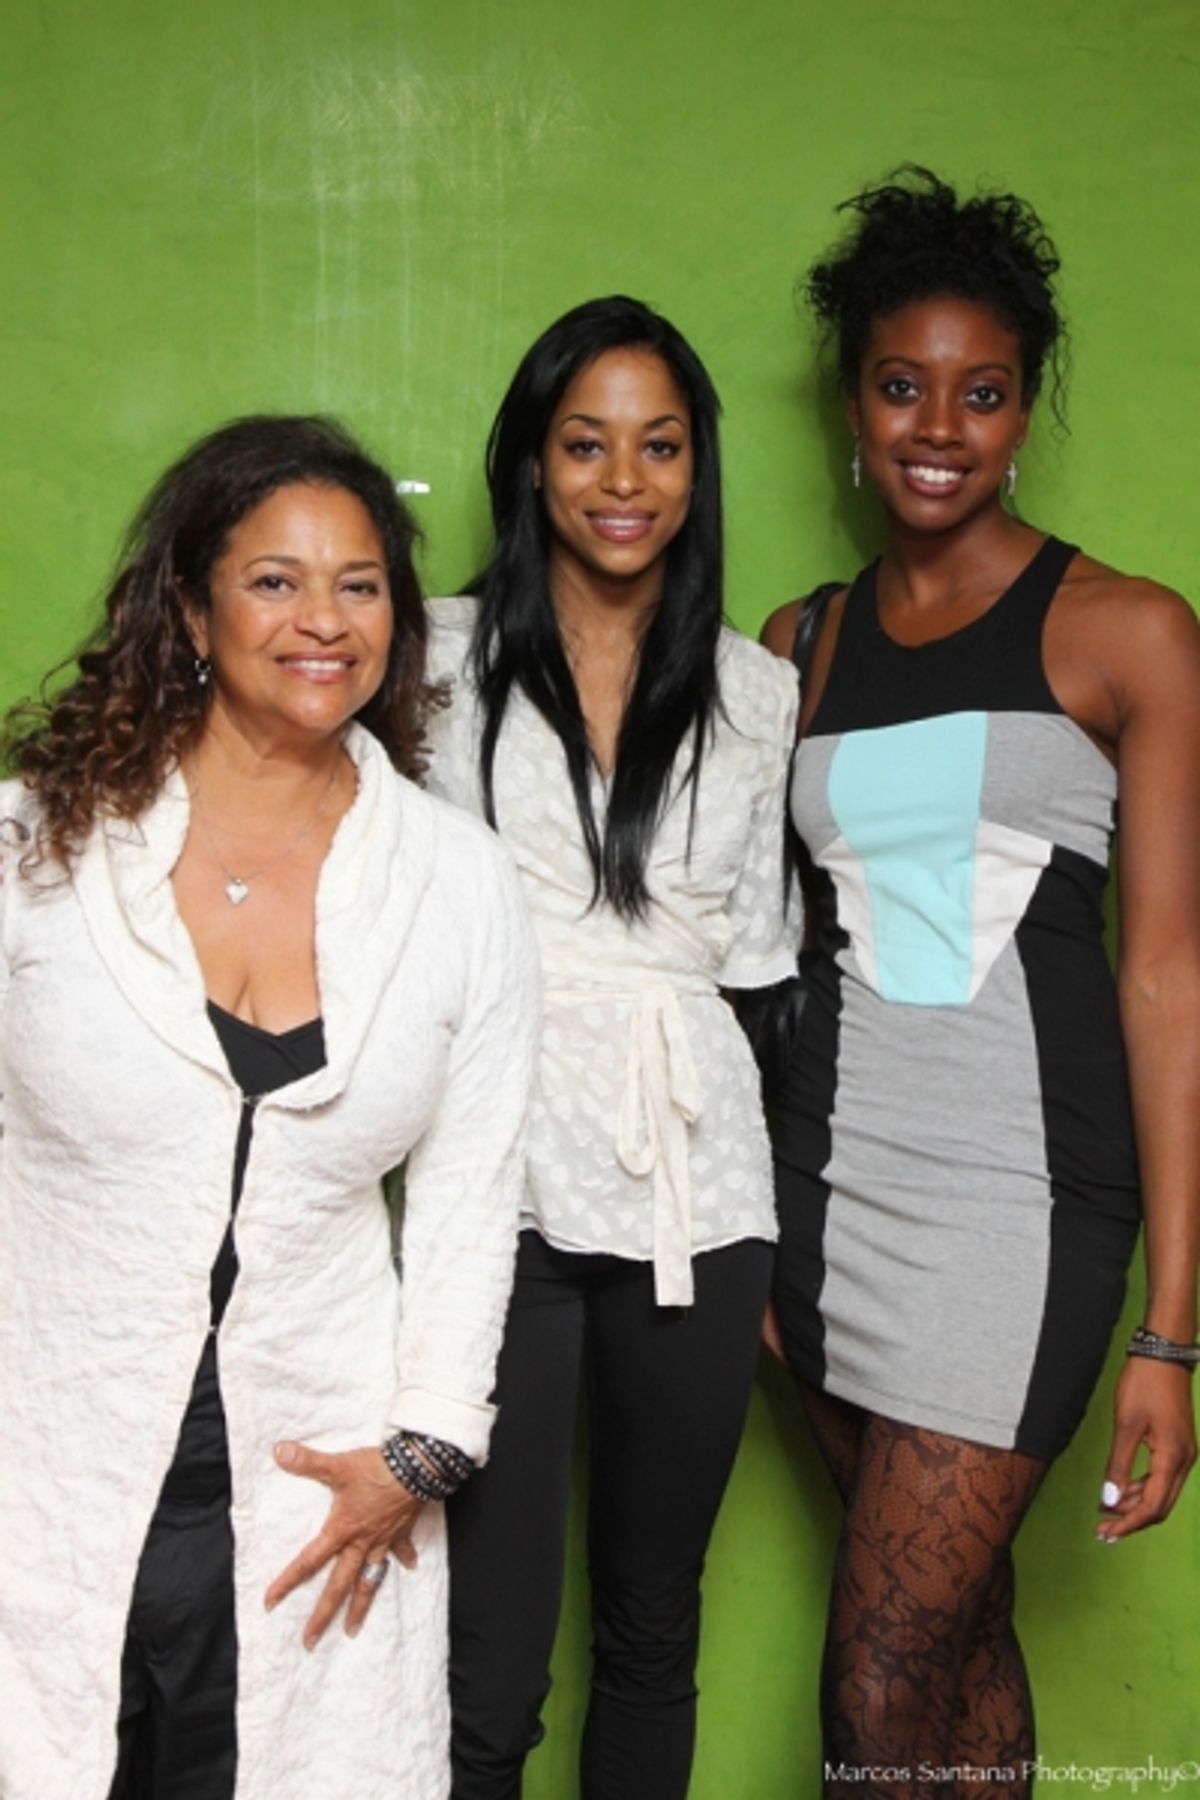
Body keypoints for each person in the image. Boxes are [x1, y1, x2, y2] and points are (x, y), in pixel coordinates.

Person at [0, 414, 539, 1800]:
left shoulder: (460, 883)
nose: (324, 622)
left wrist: (425, 1451)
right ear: (192, 609)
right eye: (274, 581)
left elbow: (474, 1193)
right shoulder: (32, 843)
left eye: (360, 585)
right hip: (44, 1452)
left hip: (313, 1482)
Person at [761, 169, 1200, 1798]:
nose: (939, 427)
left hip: (1020, 1212)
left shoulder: (1131, 633)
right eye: (902, 386)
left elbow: (1167, 979)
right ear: (852, 406)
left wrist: (1174, 1331)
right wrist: (741, 1221)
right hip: (822, 1196)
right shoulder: (796, 643)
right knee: (958, 1642)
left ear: (1025, 410)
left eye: (985, 391)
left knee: (875, 1686)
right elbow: (764, 954)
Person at [422, 295, 799, 1799]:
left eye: (661, 445)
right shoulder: (433, 656)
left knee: (652, 1622)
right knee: (488, 1655)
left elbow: (759, 964)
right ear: (532, 460)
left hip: (699, 1191)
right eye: (586, 444)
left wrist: (787, 1232)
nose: (624, 480)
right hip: (493, 1176)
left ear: (699, 466)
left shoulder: (757, 689)